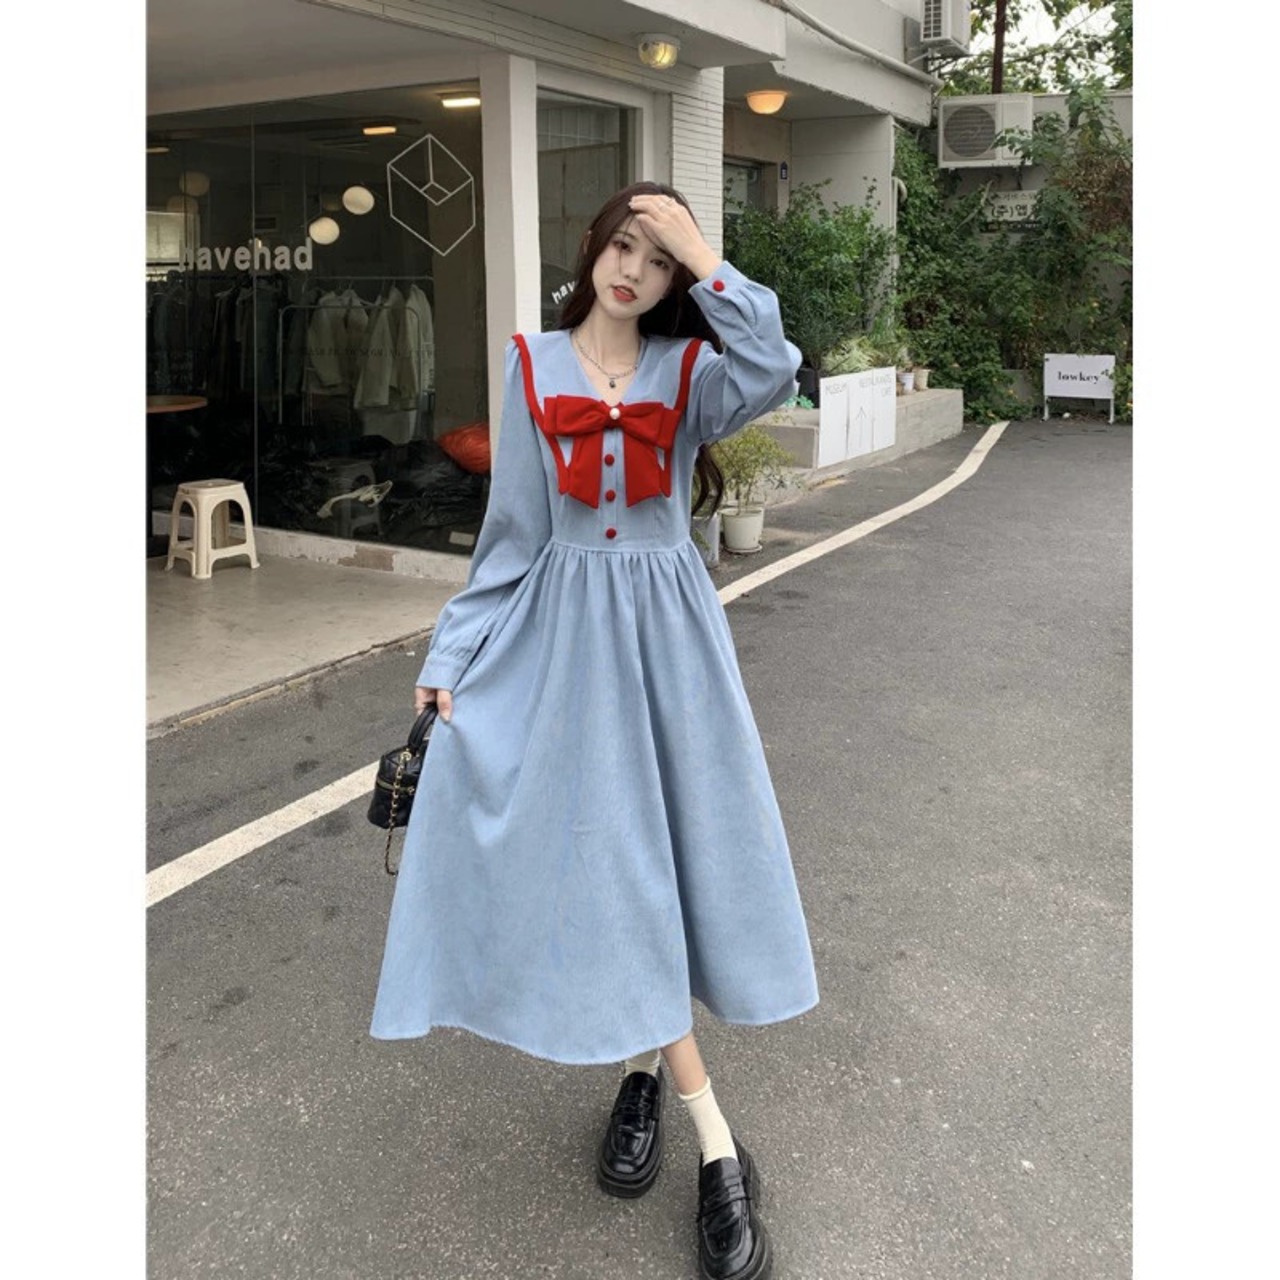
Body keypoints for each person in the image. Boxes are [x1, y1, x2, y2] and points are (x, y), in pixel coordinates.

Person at [371, 181, 819, 1280]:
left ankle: (641, 1077)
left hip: (671, 649)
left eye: (657, 258)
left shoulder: (692, 371)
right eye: (625, 245)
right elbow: (511, 537)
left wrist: (705, 255)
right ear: (592, 249)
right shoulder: (531, 365)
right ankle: (716, 1144)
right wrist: (450, 661)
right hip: (565, 648)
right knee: (616, 870)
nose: (634, 270)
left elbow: (775, 364)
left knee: (663, 862)